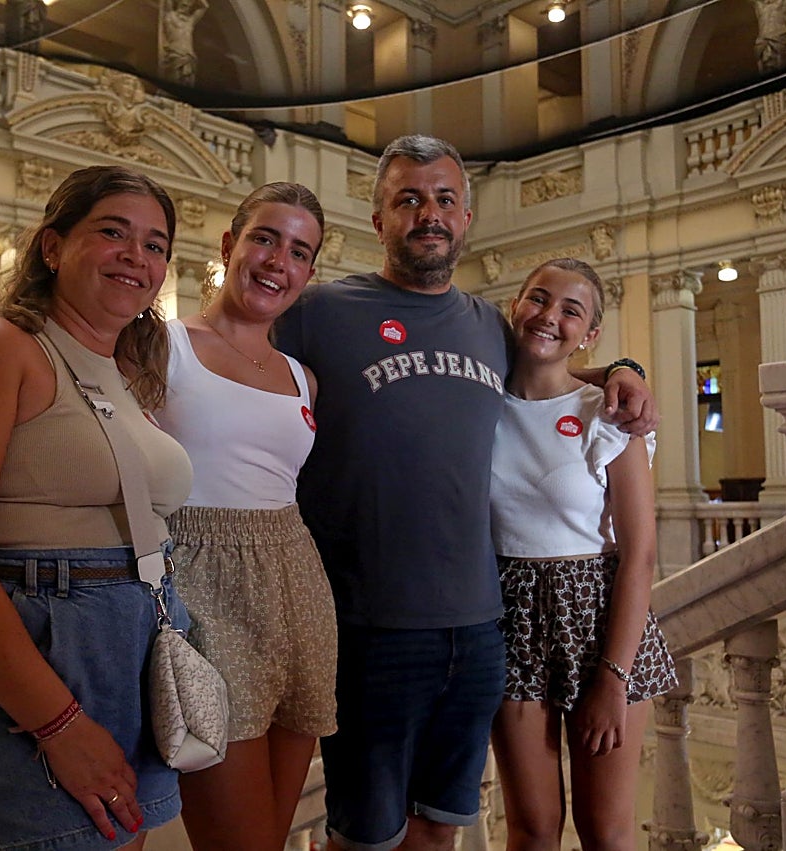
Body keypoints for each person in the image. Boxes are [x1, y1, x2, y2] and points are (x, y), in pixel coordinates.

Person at [275, 135, 657, 851]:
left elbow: (556, 366)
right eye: (409, 198)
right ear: (379, 215)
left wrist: (622, 371)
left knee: (442, 827)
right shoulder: (318, 311)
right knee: (365, 833)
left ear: (467, 216)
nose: (430, 213)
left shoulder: (487, 325)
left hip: (484, 631)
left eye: (445, 198)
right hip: (368, 628)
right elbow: (234, 348)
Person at [0, 165, 193, 850]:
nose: (136, 256)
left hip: (131, 655)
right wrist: (58, 722)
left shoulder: (127, 373)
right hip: (40, 659)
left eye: (155, 244)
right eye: (112, 232)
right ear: (52, 247)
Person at [152, 182, 335, 851]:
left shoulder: (301, 375)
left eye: (298, 250)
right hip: (202, 589)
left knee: (273, 833)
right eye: (264, 238)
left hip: (296, 588)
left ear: (308, 273)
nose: (277, 260)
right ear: (230, 245)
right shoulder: (160, 345)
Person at [488, 258, 678, 851]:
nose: (549, 316)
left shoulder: (612, 414)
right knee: (532, 824)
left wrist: (613, 681)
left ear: (590, 333)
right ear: (515, 305)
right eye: (538, 298)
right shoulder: (476, 403)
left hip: (601, 618)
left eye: (572, 310)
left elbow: (640, 554)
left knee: (605, 829)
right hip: (509, 615)